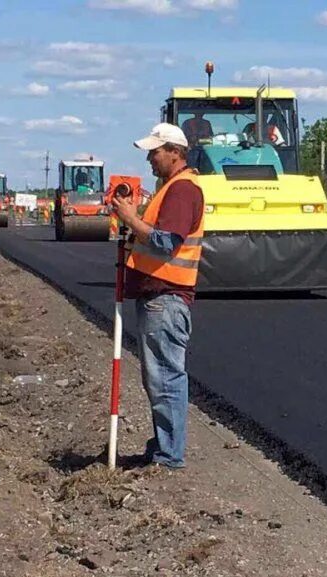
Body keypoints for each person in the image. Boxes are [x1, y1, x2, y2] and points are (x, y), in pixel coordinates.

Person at [112, 122, 204, 469]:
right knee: (159, 378)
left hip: (166, 297)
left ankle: (169, 457)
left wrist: (133, 219)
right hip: (158, 296)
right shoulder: (170, 189)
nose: (150, 159)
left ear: (174, 152)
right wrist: (131, 221)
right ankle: (164, 447)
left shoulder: (182, 190)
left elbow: (167, 242)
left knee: (165, 378)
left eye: (155, 152)